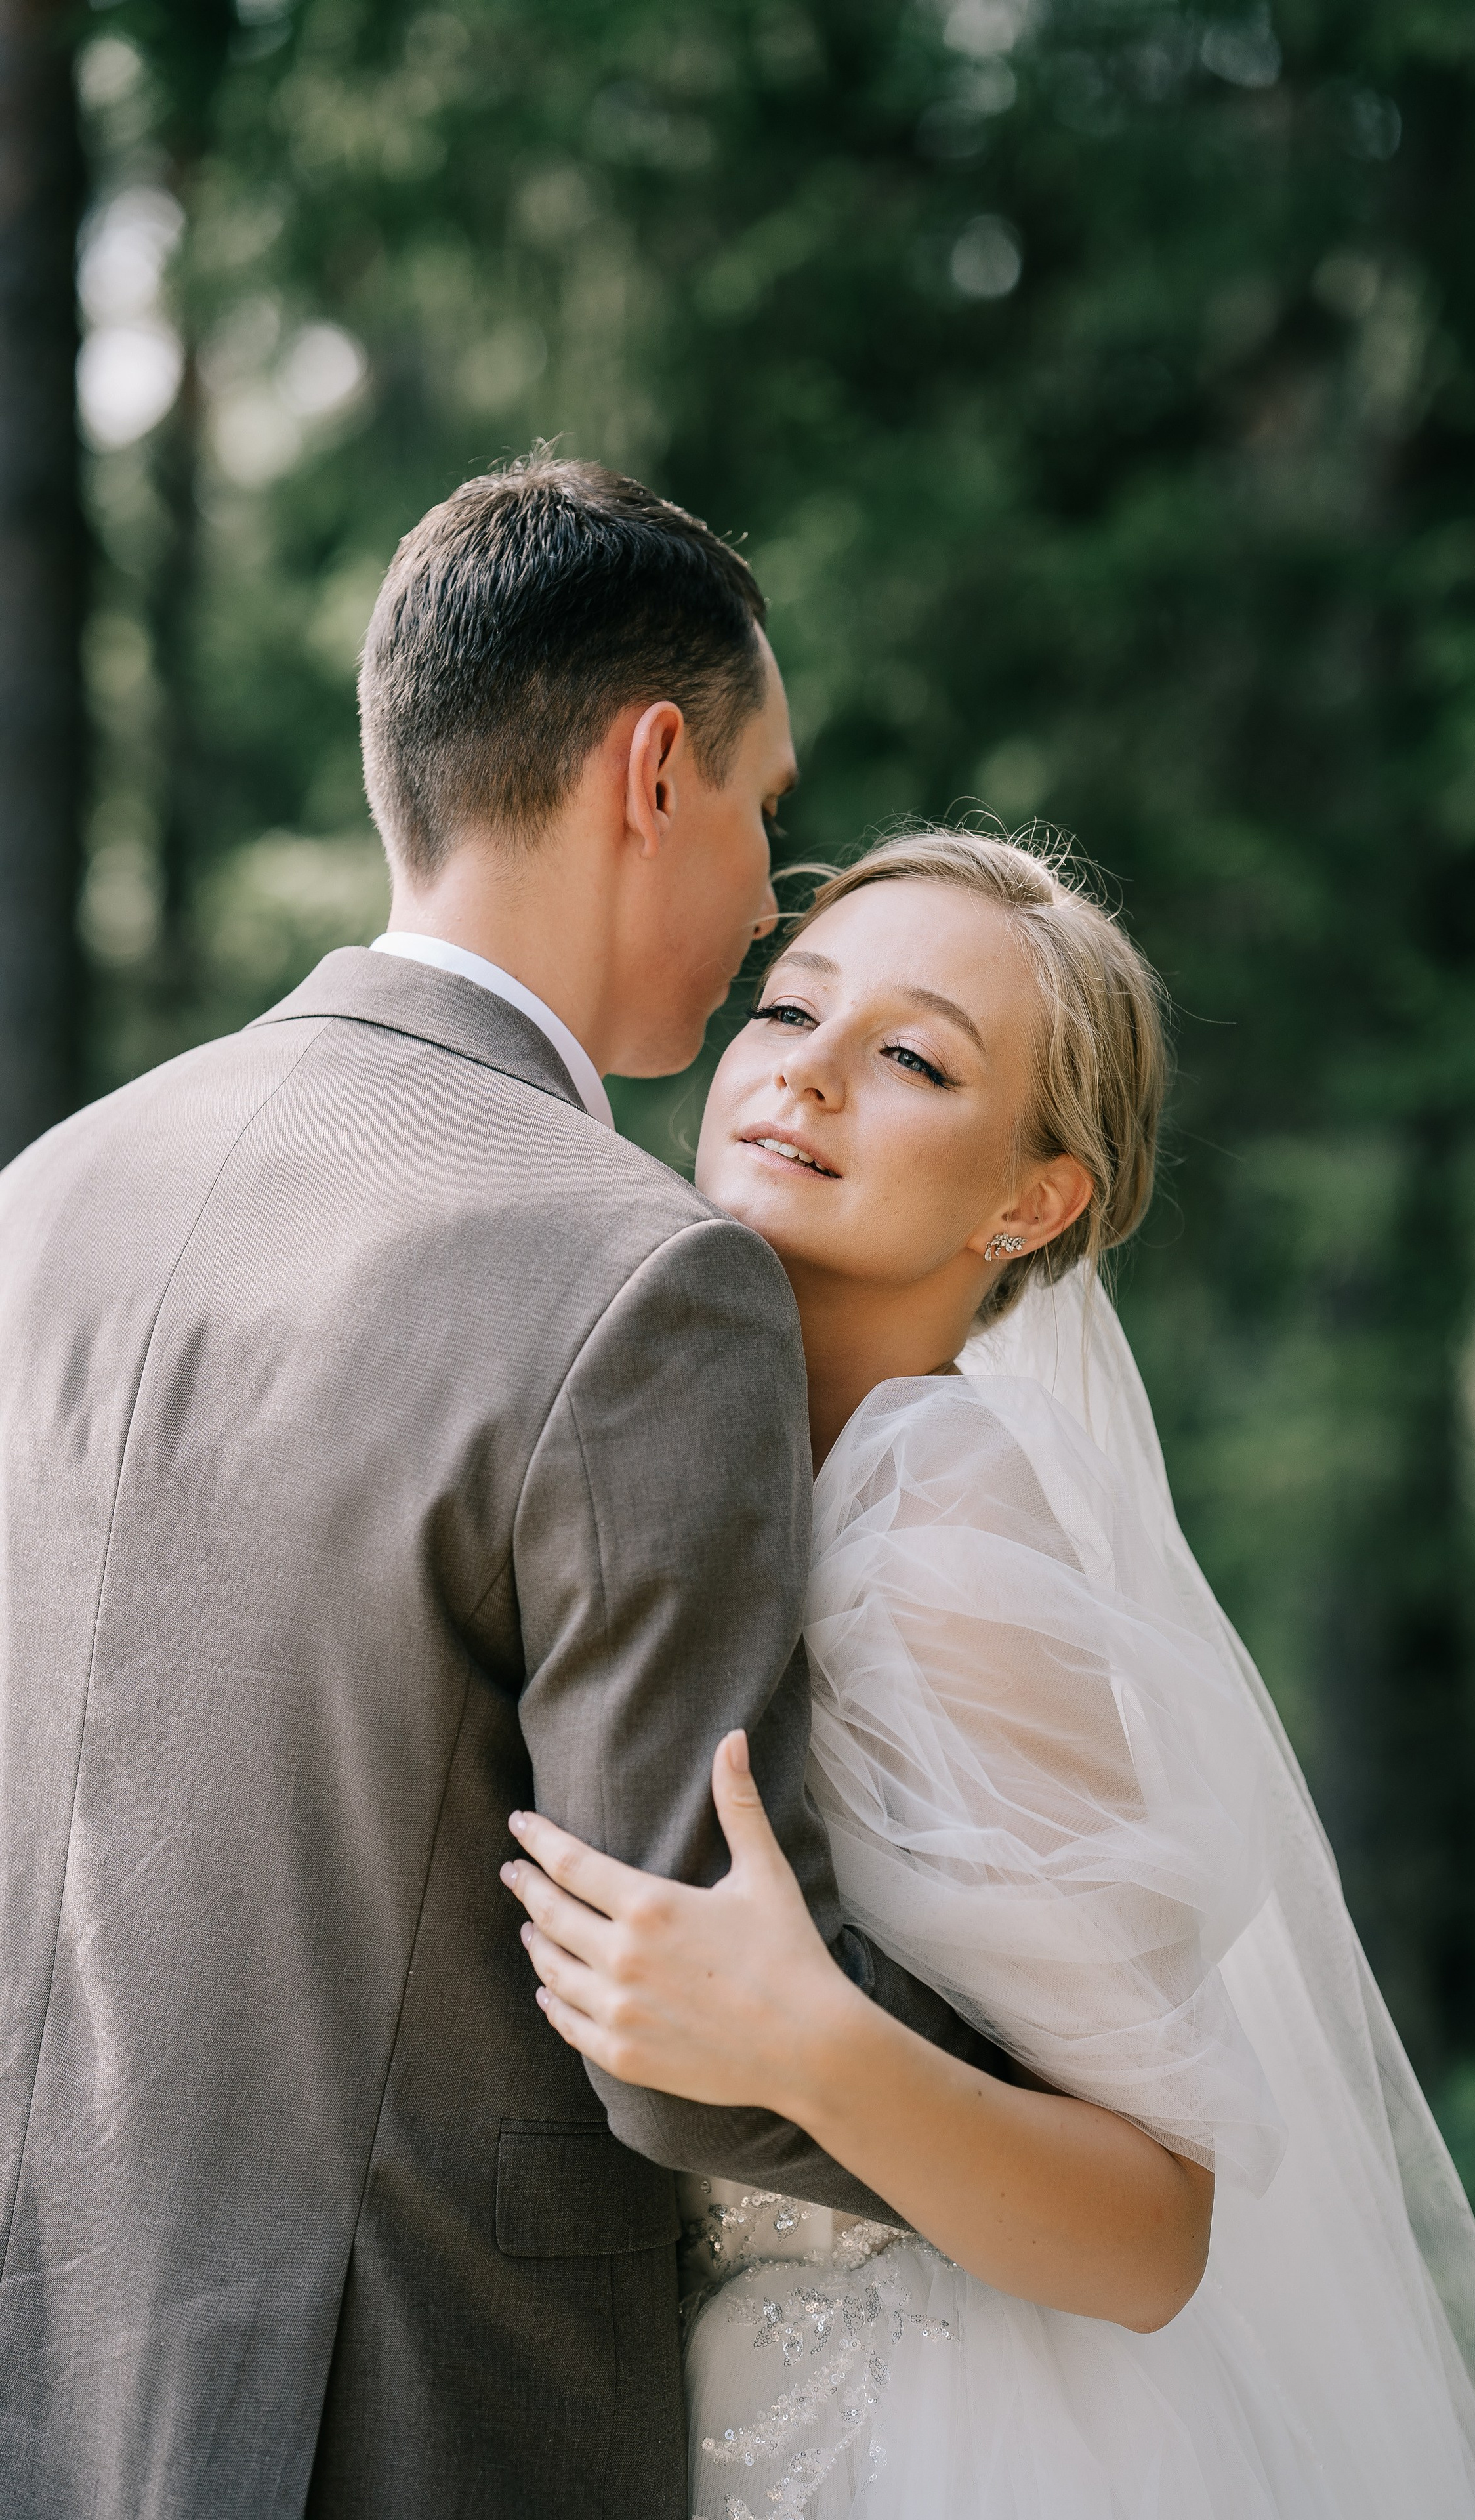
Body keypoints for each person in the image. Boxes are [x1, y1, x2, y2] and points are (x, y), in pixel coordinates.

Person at [0, 458, 994, 2519]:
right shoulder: (638, 1278)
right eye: (764, 810)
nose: (763, 896)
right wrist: (1078, 2137)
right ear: (655, 771)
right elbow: (682, 2014)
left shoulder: (43, 1200)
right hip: (416, 2426)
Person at [503, 829, 1475, 2520]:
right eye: (787, 1012)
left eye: (914, 1055)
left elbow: (1154, 2226)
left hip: (940, 2440)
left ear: (1032, 1198)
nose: (808, 1077)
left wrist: (806, 2041)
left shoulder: (937, 1508)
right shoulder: (665, 1439)